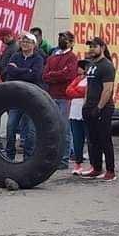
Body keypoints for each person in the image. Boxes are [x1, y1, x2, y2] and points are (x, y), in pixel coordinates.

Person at [3, 32, 45, 160]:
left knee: (30, 131)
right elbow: (10, 72)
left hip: (31, 99)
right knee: (10, 127)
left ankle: (28, 157)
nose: (25, 44)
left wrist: (18, 71)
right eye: (23, 42)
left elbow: (35, 76)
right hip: (16, 98)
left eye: (28, 42)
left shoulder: (38, 58)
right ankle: (9, 156)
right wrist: (27, 71)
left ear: (34, 45)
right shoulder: (15, 56)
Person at [80, 37, 116, 181]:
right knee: (92, 139)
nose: (91, 49)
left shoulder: (106, 65)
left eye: (94, 46)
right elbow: (88, 86)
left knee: (104, 139)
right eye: (90, 47)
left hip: (103, 108)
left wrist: (99, 107)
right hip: (89, 106)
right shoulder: (91, 65)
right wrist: (85, 104)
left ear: (102, 47)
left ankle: (110, 171)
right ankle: (96, 168)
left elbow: (107, 89)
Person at [42, 31, 78, 169]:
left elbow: (68, 75)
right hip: (52, 95)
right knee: (52, 128)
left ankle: (63, 160)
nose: (62, 40)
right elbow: (45, 75)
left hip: (64, 97)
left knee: (64, 129)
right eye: (60, 37)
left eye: (65, 38)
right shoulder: (52, 57)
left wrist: (53, 75)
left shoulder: (72, 57)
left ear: (71, 42)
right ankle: (53, 158)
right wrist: (56, 74)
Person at [66, 60, 89, 174]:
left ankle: (94, 163)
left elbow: (86, 91)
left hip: (84, 111)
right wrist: (78, 91)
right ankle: (78, 162)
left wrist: (76, 91)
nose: (77, 69)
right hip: (75, 112)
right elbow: (68, 91)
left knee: (89, 138)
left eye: (80, 67)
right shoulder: (77, 79)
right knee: (77, 138)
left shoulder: (89, 79)